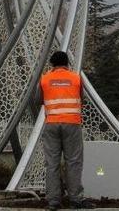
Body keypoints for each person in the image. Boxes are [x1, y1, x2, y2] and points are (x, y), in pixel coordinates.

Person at [38, 52, 94, 210]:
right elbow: (82, 99)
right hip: (72, 124)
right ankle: (75, 199)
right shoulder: (76, 78)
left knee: (52, 164)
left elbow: (37, 100)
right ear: (67, 63)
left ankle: (53, 201)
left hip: (52, 124)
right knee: (74, 162)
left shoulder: (45, 79)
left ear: (52, 64)